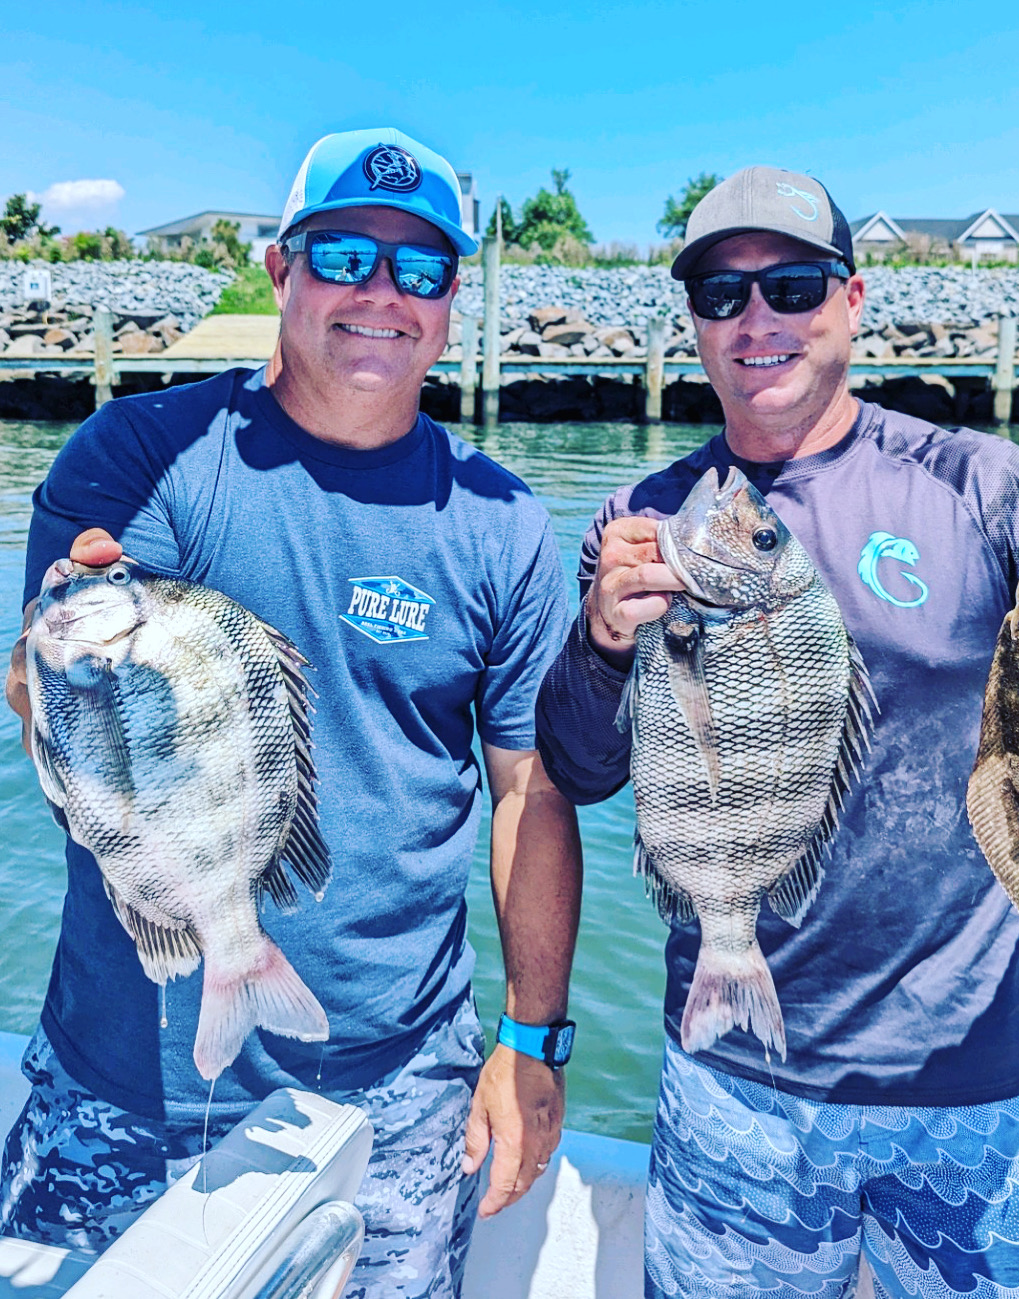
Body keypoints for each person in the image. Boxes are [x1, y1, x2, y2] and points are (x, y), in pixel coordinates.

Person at [535, 166, 1019, 1299]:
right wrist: (601, 643)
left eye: (793, 284)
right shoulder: (643, 524)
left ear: (854, 301)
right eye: (722, 294)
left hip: (971, 1086)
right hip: (734, 1078)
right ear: (693, 325)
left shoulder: (977, 484)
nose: (757, 317)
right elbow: (577, 770)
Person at [2, 127, 583, 1298]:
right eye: (342, 256)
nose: (381, 292)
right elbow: (46, 705)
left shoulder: (503, 522)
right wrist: (49, 662)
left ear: (453, 298)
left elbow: (529, 792)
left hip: (396, 1082)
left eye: (419, 269)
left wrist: (531, 1040)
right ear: (280, 271)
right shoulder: (142, 455)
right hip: (119, 1068)